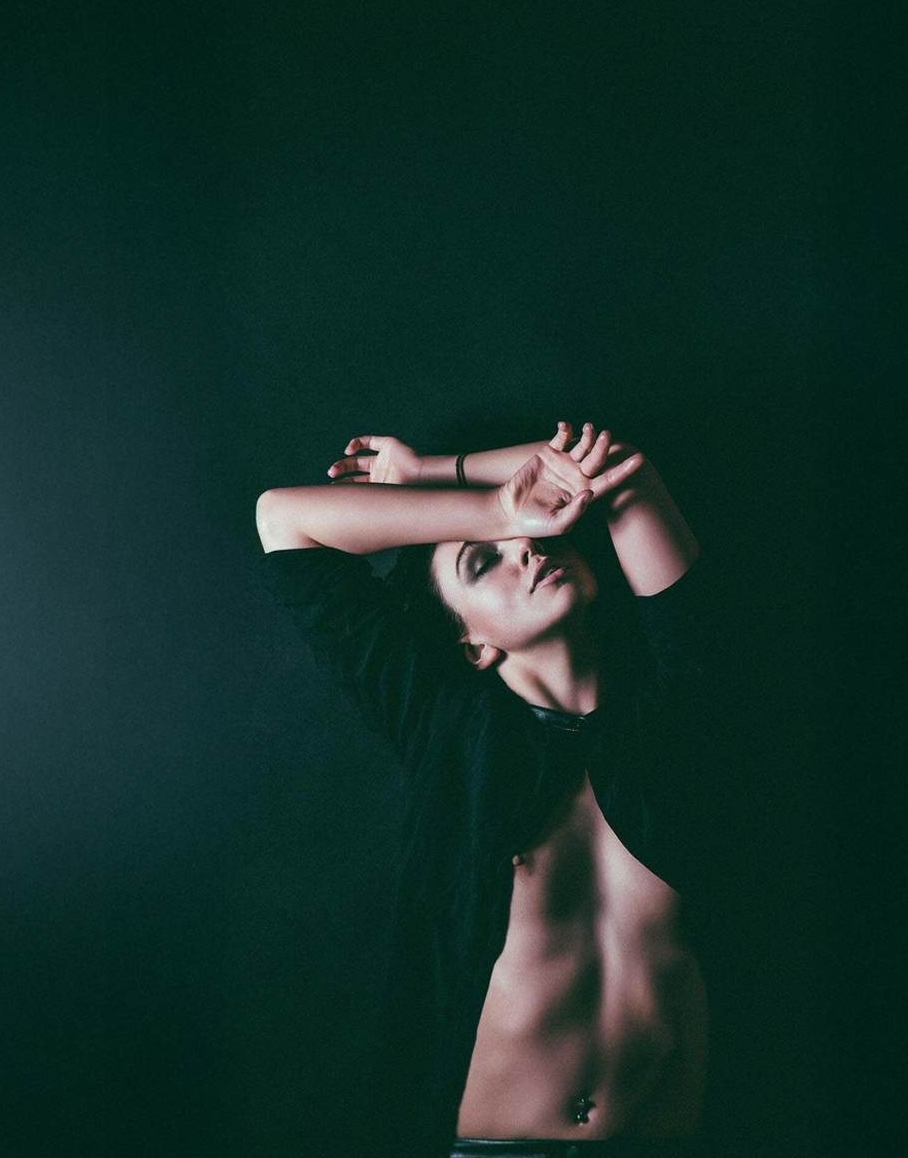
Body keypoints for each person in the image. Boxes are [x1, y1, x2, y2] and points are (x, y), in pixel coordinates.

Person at [257, 421, 737, 1158]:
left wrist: (431, 471)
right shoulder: (444, 724)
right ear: (471, 642)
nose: (528, 549)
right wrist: (499, 510)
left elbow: (619, 470)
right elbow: (284, 519)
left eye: (538, 536)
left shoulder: (675, 707)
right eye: (485, 565)